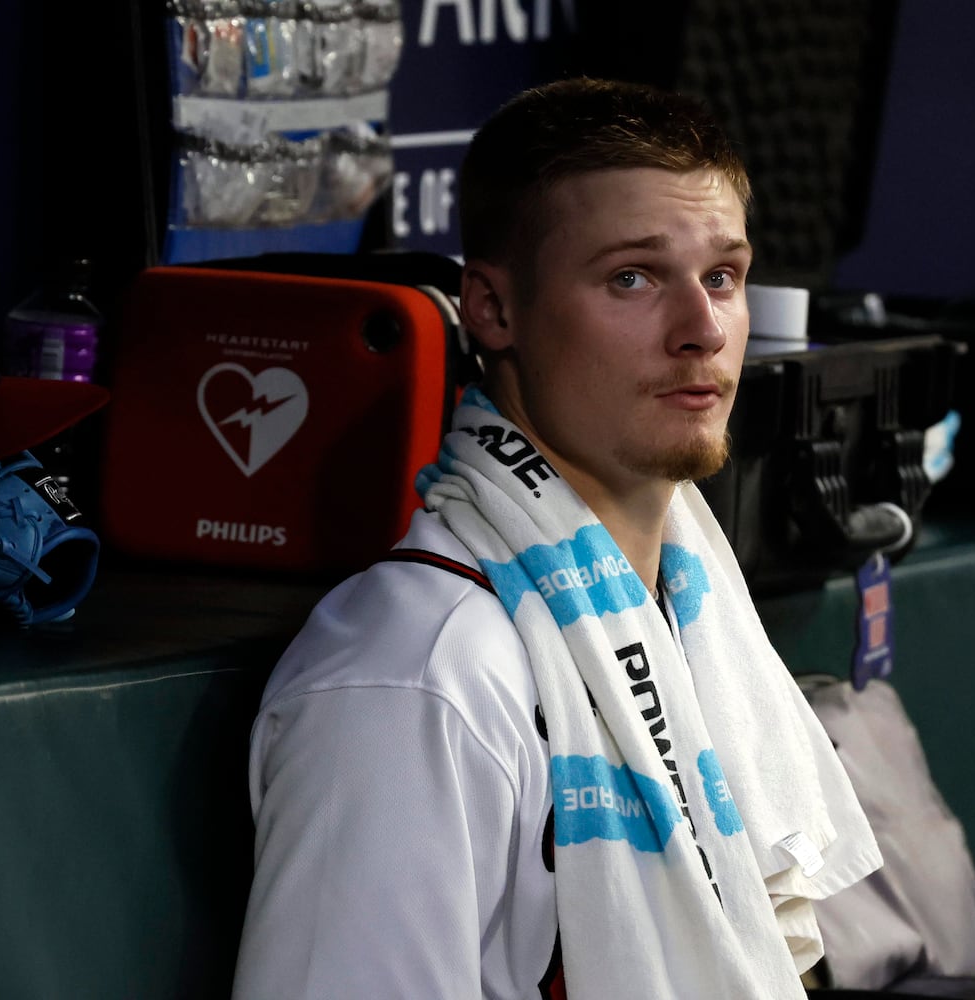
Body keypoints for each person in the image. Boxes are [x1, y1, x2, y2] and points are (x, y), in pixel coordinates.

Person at [232, 78, 881, 1000]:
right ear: (492, 309)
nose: (702, 330)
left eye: (723, 277)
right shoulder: (418, 673)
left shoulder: (687, 604)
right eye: (632, 277)